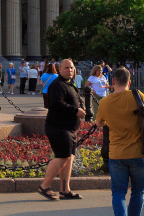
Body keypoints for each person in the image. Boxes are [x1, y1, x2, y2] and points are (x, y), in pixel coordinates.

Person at [96, 66, 144, 216]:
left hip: (117, 155)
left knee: (118, 192)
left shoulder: (105, 102)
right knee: (138, 192)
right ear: (129, 82)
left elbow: (98, 123)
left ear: (113, 81)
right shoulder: (137, 96)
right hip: (139, 153)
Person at [38, 59, 84, 201]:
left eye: (71, 68)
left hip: (68, 128)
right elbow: (57, 104)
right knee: (62, 157)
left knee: (69, 158)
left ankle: (65, 190)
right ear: (59, 70)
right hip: (58, 127)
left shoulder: (69, 84)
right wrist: (76, 110)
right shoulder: (57, 84)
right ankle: (44, 186)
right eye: (66, 68)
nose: (69, 70)